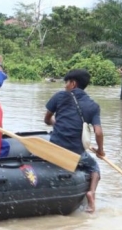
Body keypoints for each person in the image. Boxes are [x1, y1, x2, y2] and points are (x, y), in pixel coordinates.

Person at [44, 69, 105, 213]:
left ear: (73, 83)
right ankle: (91, 193)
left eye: (66, 82)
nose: (65, 86)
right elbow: (98, 132)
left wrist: (56, 124)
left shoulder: (59, 97)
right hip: (75, 152)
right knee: (94, 168)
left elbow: (46, 120)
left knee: (92, 165)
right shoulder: (93, 106)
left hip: (56, 146)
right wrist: (100, 150)